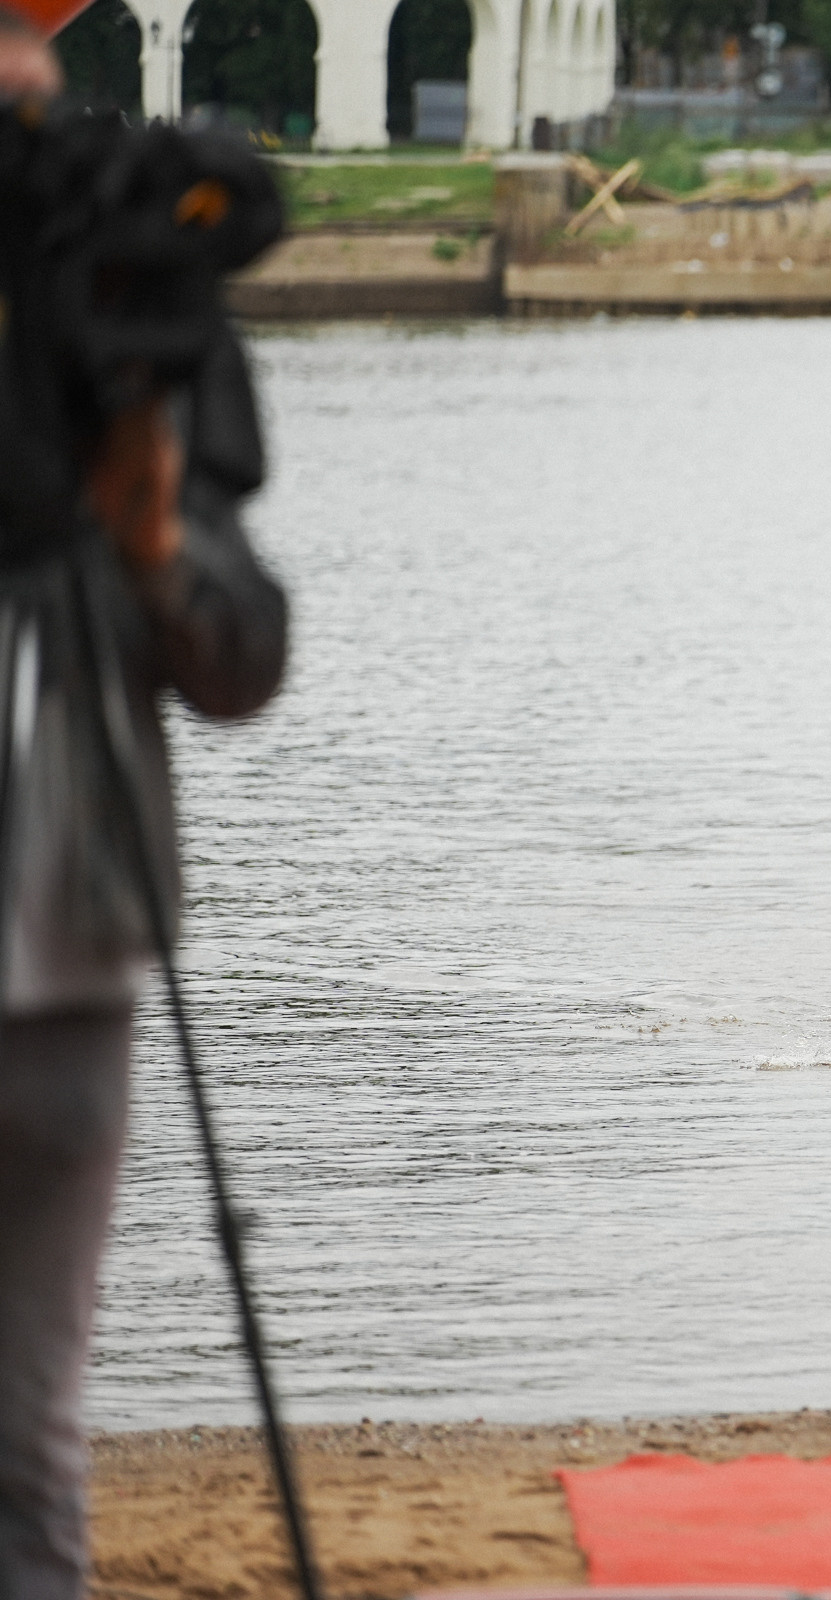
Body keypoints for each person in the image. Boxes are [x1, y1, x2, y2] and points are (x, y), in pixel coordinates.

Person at [1, 10, 290, 1595]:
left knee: (26, 1440)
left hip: (65, 949)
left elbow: (242, 662)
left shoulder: (121, 316)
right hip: (75, 948)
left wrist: (153, 543)